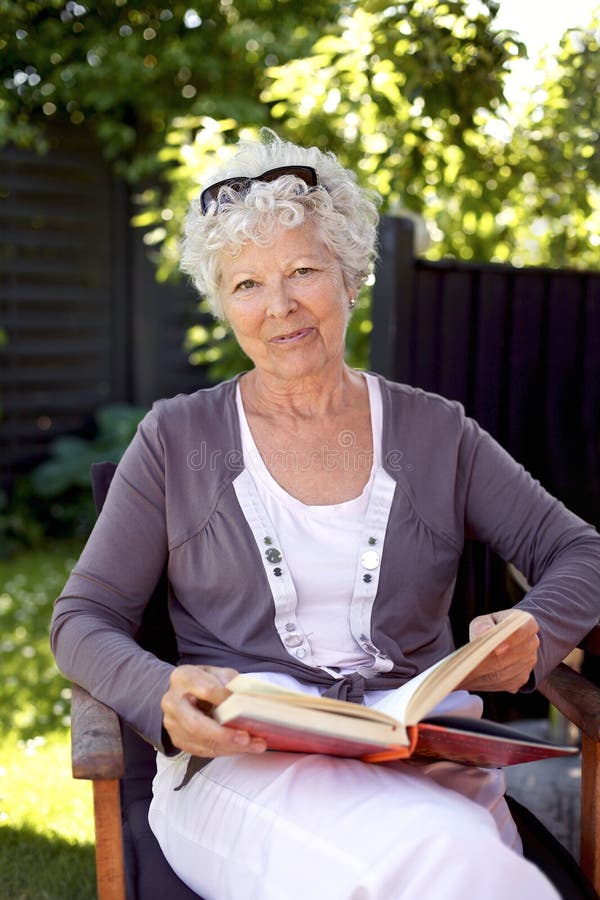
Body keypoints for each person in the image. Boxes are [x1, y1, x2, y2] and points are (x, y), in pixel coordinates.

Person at [51, 132, 600, 900]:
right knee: (440, 867)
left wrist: (537, 629)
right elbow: (81, 618)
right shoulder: (178, 440)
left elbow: (580, 550)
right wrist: (164, 696)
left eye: (303, 270)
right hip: (244, 772)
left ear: (350, 276)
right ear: (223, 303)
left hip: (426, 764)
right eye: (246, 283)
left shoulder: (435, 433)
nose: (278, 306)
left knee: (448, 856)